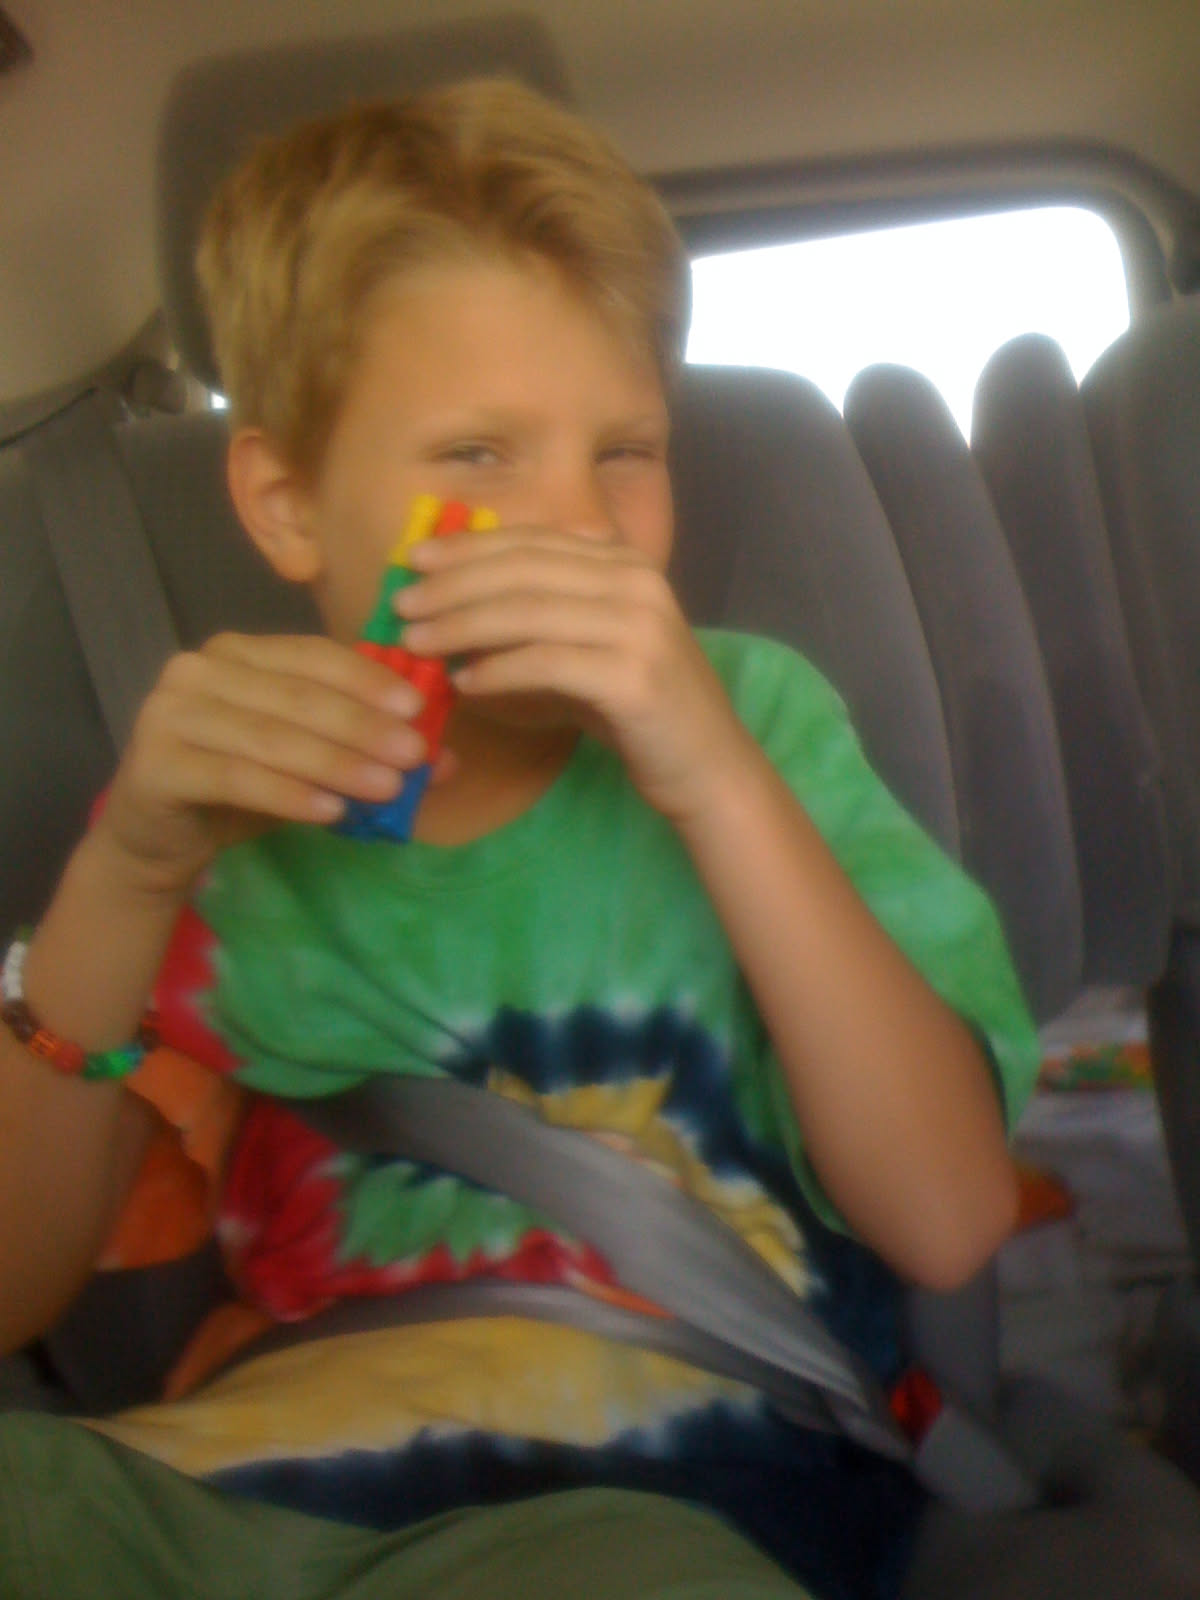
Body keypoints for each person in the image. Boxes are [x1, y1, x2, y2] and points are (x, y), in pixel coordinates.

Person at [0, 78, 1039, 1600]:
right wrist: (127, 873)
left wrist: (713, 774)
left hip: (670, 1487)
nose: (582, 526)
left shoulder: (756, 724)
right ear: (287, 503)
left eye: (626, 451)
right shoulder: (219, 807)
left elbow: (948, 1224)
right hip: (240, 1479)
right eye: (478, 456)